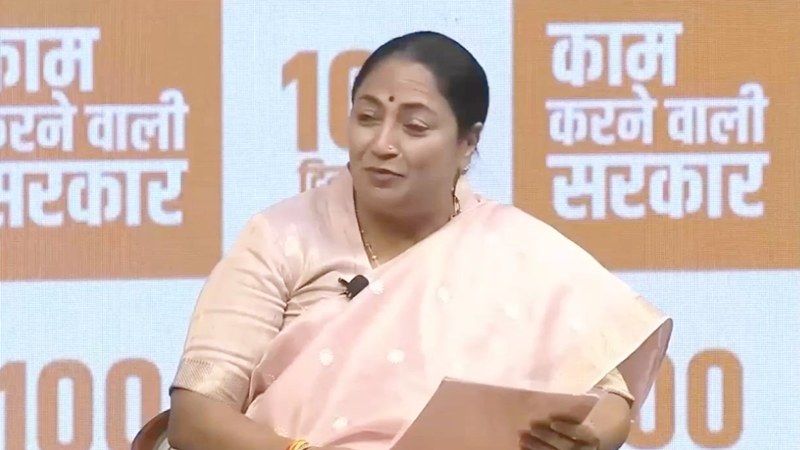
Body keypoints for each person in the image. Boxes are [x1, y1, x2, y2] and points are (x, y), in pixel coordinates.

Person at [166, 31, 672, 450]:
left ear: (467, 143)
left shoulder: (518, 249)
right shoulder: (281, 239)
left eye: (414, 126)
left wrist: (589, 437)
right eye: (367, 117)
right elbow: (195, 418)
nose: (381, 144)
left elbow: (610, 398)